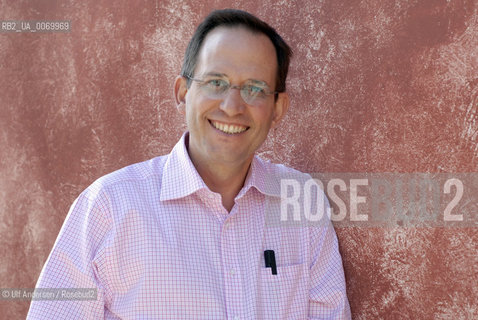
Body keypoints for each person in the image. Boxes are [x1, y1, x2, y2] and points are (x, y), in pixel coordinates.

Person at [27, 9, 351, 319]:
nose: (232, 106)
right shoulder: (108, 208)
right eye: (216, 82)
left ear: (278, 108)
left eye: (255, 88)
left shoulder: (301, 202)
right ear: (183, 92)